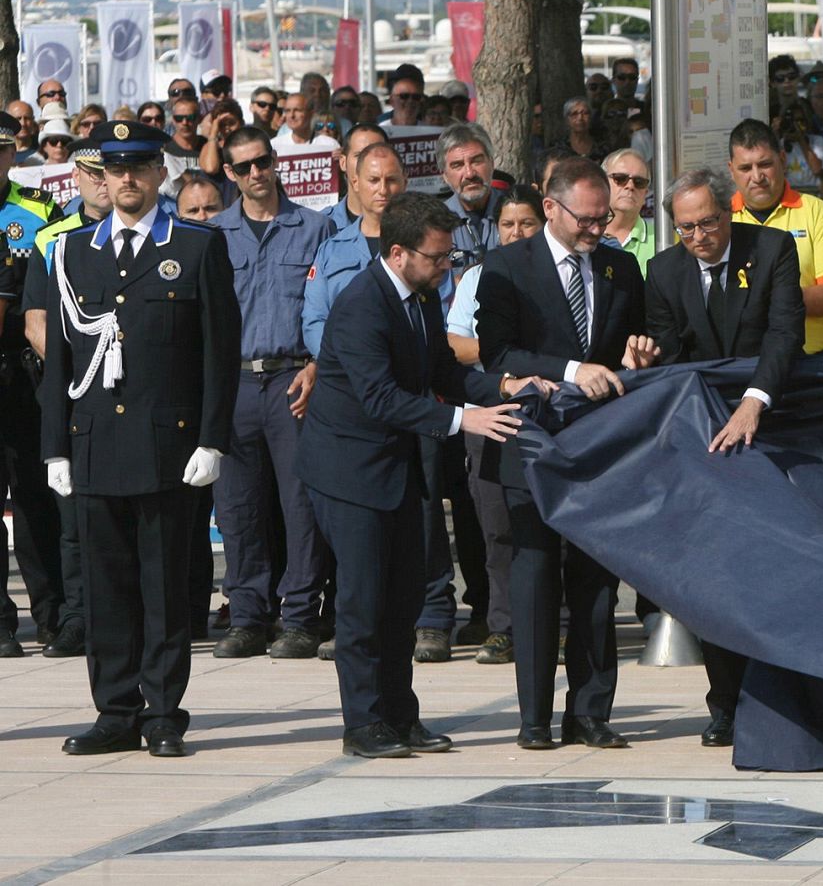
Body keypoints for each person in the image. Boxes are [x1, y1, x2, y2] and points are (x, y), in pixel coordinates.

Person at [296, 191, 534, 758]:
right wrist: (463, 418)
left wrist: (504, 387)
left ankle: (401, 716)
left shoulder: (423, 297)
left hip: (396, 467)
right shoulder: (360, 305)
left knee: (403, 598)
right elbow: (381, 398)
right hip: (348, 472)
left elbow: (446, 372)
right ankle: (363, 723)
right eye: (436, 257)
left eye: (448, 255)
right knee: (362, 600)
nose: (445, 266)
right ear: (398, 252)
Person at [41, 121, 242, 756]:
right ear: (99, 178)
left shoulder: (198, 246)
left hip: (168, 446)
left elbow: (219, 354)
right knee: (104, 590)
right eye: (114, 169)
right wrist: (54, 447)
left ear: (160, 174)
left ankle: (161, 712)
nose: (126, 179)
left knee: (162, 586)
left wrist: (213, 439)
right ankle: (115, 711)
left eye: (139, 167)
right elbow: (60, 364)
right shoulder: (72, 252)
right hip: (97, 441)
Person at [475, 159, 648, 751]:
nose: (597, 229)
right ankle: (534, 717)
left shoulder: (621, 267)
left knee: (596, 583)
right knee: (535, 576)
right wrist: (574, 370)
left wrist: (642, 352)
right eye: (587, 219)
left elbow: (641, 340)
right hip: (530, 442)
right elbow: (497, 352)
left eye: (605, 218)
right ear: (550, 207)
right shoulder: (505, 267)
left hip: (600, 447)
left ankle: (592, 710)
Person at [638, 168, 806, 747]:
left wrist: (754, 402)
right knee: (714, 576)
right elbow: (672, 357)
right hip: (705, 437)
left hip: (771, 424)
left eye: (709, 222)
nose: (700, 236)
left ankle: (784, 699)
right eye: (686, 228)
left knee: (777, 574)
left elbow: (785, 335)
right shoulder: (663, 271)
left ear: (728, 210)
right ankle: (725, 704)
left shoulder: (773, 247)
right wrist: (645, 360)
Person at [207, 126, 337, 660]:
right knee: (237, 508)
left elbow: (330, 305)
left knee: (299, 505)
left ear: (275, 160)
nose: (256, 174)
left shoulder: (315, 228)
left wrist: (317, 365)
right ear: (230, 175)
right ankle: (247, 616)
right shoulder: (213, 234)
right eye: (243, 167)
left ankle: (301, 616)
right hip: (233, 381)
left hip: (292, 378)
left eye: (262, 162)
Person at [15, 140, 114, 659]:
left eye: (113, 172)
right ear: (77, 176)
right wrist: (86, 375)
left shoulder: (154, 234)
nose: (106, 182)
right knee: (70, 515)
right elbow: (36, 324)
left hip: (136, 393)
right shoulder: (52, 237)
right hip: (75, 392)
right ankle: (77, 615)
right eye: (96, 173)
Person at [445, 186, 543, 666]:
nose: (517, 232)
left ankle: (557, 624)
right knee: (497, 526)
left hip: (549, 411)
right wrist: (510, 356)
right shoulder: (477, 277)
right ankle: (504, 625)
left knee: (553, 526)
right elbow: (455, 345)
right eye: (508, 224)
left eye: (526, 223)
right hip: (492, 411)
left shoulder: (555, 275)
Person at [0, 110, 63, 657]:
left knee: (35, 499)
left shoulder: (39, 209)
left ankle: (51, 614)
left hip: (24, 369)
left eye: (2, 149)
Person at [726, 119, 823, 355]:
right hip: (742, 366)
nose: (756, 176)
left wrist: (762, 300)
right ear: (731, 170)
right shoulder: (719, 220)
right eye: (745, 168)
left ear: (782, 160)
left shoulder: (818, 213)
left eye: (765, 164)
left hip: (812, 363)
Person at [303, 143, 408, 358]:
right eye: (373, 180)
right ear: (356, 183)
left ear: (404, 182)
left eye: (391, 180)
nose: (383, 190)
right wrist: (344, 361)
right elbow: (314, 320)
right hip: (341, 375)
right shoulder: (331, 250)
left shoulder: (419, 248)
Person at [439, 122, 504, 276]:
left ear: (492, 163)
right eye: (457, 165)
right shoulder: (436, 222)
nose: (469, 173)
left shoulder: (516, 212)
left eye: (476, 161)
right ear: (444, 176)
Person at [600, 148, 654, 275]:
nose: (630, 186)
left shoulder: (662, 239)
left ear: (645, 193)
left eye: (639, 182)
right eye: (620, 178)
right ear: (602, 183)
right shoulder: (585, 235)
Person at [327, 123, 389, 231]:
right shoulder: (323, 225)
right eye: (359, 155)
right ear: (343, 162)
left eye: (376, 155)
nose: (367, 162)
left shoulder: (412, 224)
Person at [161, 97, 208, 195]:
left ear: (199, 119)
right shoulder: (164, 149)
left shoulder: (209, 147)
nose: (185, 123)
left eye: (190, 117)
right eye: (179, 118)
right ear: (173, 120)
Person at [271, 94, 338, 151]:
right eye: (288, 111)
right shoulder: (274, 146)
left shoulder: (329, 145)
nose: (292, 115)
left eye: (297, 110)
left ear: (311, 113)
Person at [8, 100, 38, 164]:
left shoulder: (43, 150)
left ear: (33, 120)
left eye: (27, 118)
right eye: (18, 119)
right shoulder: (2, 152)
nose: (23, 124)